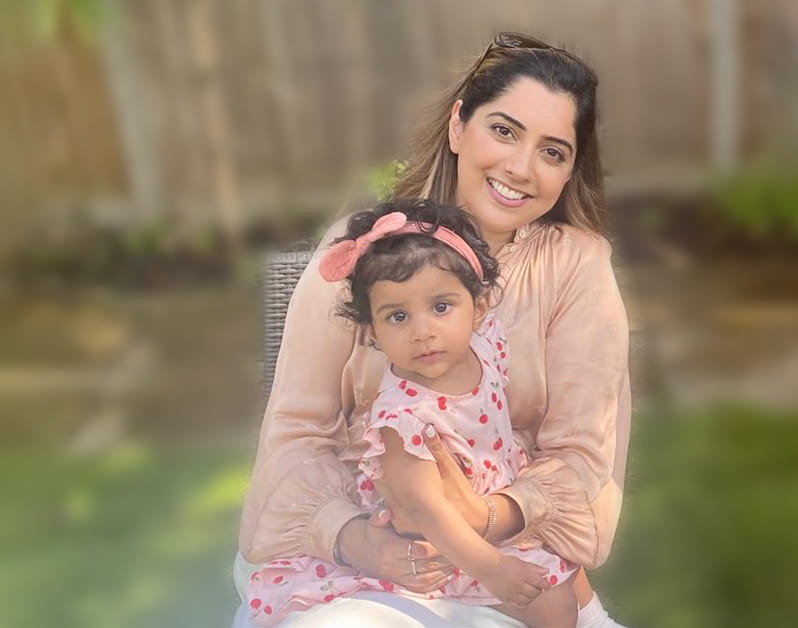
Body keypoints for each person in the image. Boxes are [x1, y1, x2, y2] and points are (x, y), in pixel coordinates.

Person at [236, 32, 631, 627]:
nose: (520, 168)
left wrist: (483, 520)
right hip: (357, 558)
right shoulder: (363, 251)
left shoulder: (575, 266)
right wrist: (359, 540)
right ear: (457, 127)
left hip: (511, 565)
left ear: (571, 169)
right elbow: (296, 432)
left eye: (553, 151)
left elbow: (583, 454)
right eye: (503, 130)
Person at [245, 200, 579, 627]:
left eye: (441, 307)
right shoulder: (403, 421)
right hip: (436, 544)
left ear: (478, 309)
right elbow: (427, 511)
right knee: (552, 607)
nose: (423, 332)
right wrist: (494, 570)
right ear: (373, 333)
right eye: (398, 316)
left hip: (485, 509)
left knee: (562, 602)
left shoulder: (483, 344)